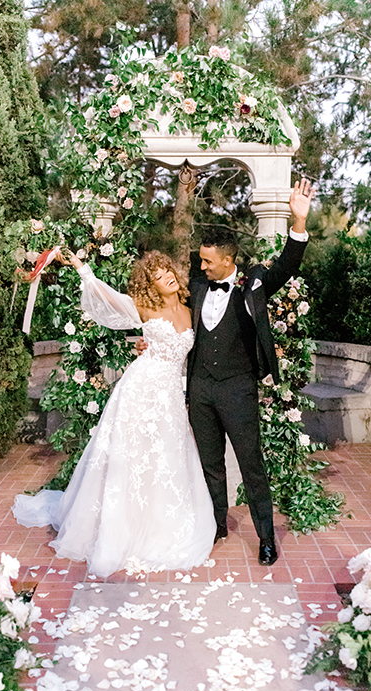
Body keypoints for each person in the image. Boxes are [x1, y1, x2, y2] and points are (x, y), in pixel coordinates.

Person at [137, 178, 315, 567]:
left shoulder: (253, 282)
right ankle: (217, 523)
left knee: (251, 465)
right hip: (199, 390)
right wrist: (147, 337)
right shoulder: (197, 287)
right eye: (200, 261)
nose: (200, 266)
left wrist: (298, 221)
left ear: (227, 260)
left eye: (206, 261)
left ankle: (266, 538)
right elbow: (165, 309)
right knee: (209, 463)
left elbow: (287, 263)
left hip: (238, 390)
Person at [12, 250, 216, 578]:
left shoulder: (191, 311)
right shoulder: (146, 308)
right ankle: (120, 529)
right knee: (131, 461)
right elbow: (108, 297)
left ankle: (157, 524)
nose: (167, 275)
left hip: (170, 398)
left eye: (168, 269)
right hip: (140, 390)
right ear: (150, 285)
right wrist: (81, 267)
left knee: (165, 459)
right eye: (158, 274)